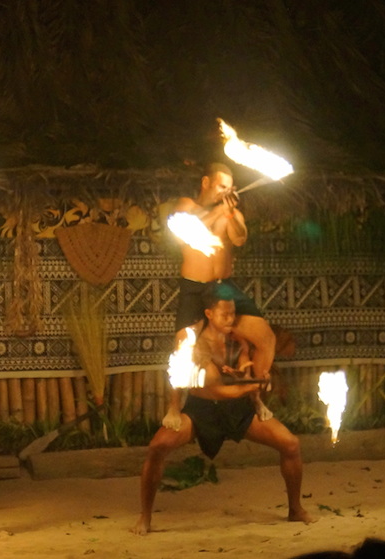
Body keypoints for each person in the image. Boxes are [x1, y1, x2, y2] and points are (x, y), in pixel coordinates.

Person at [132, 285, 314, 535]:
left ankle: (295, 509)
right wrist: (174, 408)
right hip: (202, 409)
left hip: (237, 410)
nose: (231, 320)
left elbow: (246, 371)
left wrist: (255, 389)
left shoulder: (237, 341)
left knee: (291, 444)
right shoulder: (193, 342)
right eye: (224, 315)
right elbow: (206, 386)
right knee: (157, 446)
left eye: (233, 314)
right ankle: (145, 518)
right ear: (209, 314)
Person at [166, 162, 276, 428]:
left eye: (230, 188)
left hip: (224, 287)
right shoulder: (186, 206)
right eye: (221, 186)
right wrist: (219, 210)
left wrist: (232, 215)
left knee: (266, 339)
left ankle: (255, 397)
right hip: (195, 286)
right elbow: (188, 232)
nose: (226, 192)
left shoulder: (229, 211)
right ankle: (172, 407)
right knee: (183, 347)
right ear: (206, 182)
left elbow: (239, 238)